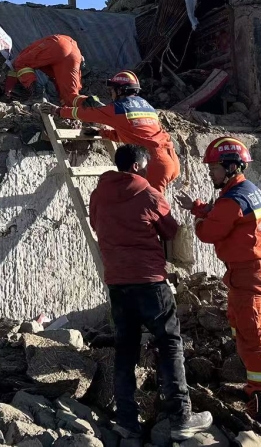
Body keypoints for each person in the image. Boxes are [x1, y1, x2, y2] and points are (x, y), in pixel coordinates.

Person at [90, 143, 213, 441]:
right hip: (150, 282)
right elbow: (171, 232)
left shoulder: (98, 194)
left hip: (117, 283)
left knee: (126, 349)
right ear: (135, 167)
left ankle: (126, 420)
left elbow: (95, 224)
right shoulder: (148, 194)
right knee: (170, 343)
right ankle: (181, 417)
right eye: (145, 166)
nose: (148, 171)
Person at [176, 137, 261, 424]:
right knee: (240, 323)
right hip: (252, 269)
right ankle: (251, 377)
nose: (211, 172)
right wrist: (197, 207)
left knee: (254, 335)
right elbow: (224, 215)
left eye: (215, 168)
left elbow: (209, 232)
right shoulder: (244, 191)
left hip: (249, 274)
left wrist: (196, 221)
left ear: (232, 166)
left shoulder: (233, 199)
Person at [39, 70, 180, 193]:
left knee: (149, 212)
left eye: (112, 90)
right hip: (171, 160)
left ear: (120, 90)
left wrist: (58, 110)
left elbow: (86, 114)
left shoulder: (119, 108)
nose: (111, 93)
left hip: (154, 163)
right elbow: (133, 134)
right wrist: (102, 133)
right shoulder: (147, 106)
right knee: (147, 207)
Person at [3, 34, 86, 105]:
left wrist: (8, 91)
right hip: (75, 52)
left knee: (20, 63)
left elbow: (14, 67)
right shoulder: (43, 61)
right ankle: (93, 106)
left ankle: (37, 94)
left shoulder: (22, 56)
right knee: (70, 96)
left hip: (58, 44)